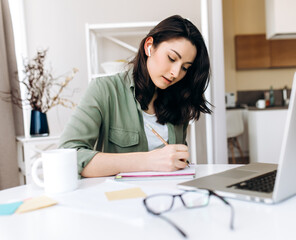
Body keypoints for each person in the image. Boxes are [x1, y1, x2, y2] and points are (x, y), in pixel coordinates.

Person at [58, 15, 211, 178]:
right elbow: (68, 157)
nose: (176, 73)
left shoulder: (179, 100)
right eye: (172, 58)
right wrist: (148, 161)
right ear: (149, 46)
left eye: (185, 68)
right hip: (120, 199)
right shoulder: (105, 90)